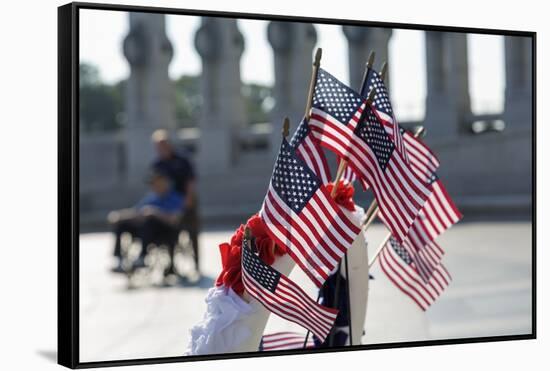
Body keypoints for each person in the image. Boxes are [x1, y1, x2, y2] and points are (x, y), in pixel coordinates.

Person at [108, 169, 184, 273]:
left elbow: (174, 219)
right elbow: (137, 212)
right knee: (122, 224)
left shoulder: (175, 198)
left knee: (150, 220)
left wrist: (155, 213)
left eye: (157, 182)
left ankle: (142, 256)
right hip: (145, 232)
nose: (155, 186)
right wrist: (119, 215)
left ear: (165, 182)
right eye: (153, 183)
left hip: (165, 232)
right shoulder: (151, 198)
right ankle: (119, 259)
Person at [150, 129, 200, 277]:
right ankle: (171, 265)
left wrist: (187, 201)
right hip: (168, 205)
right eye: (158, 147)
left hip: (186, 200)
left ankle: (196, 263)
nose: (161, 149)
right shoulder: (157, 164)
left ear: (169, 145)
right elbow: (155, 186)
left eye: (163, 145)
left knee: (192, 232)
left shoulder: (182, 160)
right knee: (169, 231)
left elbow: (190, 182)